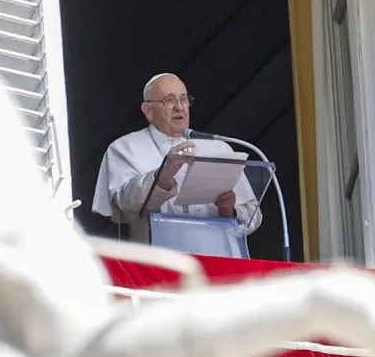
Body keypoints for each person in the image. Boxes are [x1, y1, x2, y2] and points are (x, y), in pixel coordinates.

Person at [92, 72, 264, 243]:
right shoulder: (125, 148)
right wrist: (163, 176)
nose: (179, 107)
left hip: (219, 259)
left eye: (184, 99)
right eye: (169, 100)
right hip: (161, 260)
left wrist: (229, 211)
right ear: (148, 111)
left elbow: (253, 214)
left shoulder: (219, 148)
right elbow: (124, 204)